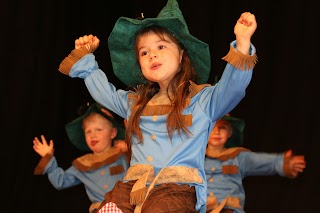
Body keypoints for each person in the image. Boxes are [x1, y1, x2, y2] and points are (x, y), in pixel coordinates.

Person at [57, 0, 258, 212]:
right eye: (144, 52)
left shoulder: (202, 100)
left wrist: (243, 42)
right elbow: (105, 93)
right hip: (133, 187)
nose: (152, 54)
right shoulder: (136, 103)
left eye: (161, 46)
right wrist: (86, 61)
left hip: (177, 189)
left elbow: (232, 89)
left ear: (181, 55)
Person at [33, 103, 129, 213]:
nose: (93, 135)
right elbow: (60, 181)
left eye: (98, 129)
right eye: (88, 131)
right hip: (100, 209)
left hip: (126, 207)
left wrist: (130, 146)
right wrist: (48, 157)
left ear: (112, 133)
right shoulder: (83, 164)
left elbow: (142, 163)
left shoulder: (122, 154)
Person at [205, 114, 306, 213]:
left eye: (222, 127)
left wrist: (284, 162)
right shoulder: (196, 159)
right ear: (204, 131)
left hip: (229, 209)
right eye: (212, 127)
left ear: (230, 132)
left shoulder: (238, 157)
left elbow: (263, 161)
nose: (217, 132)